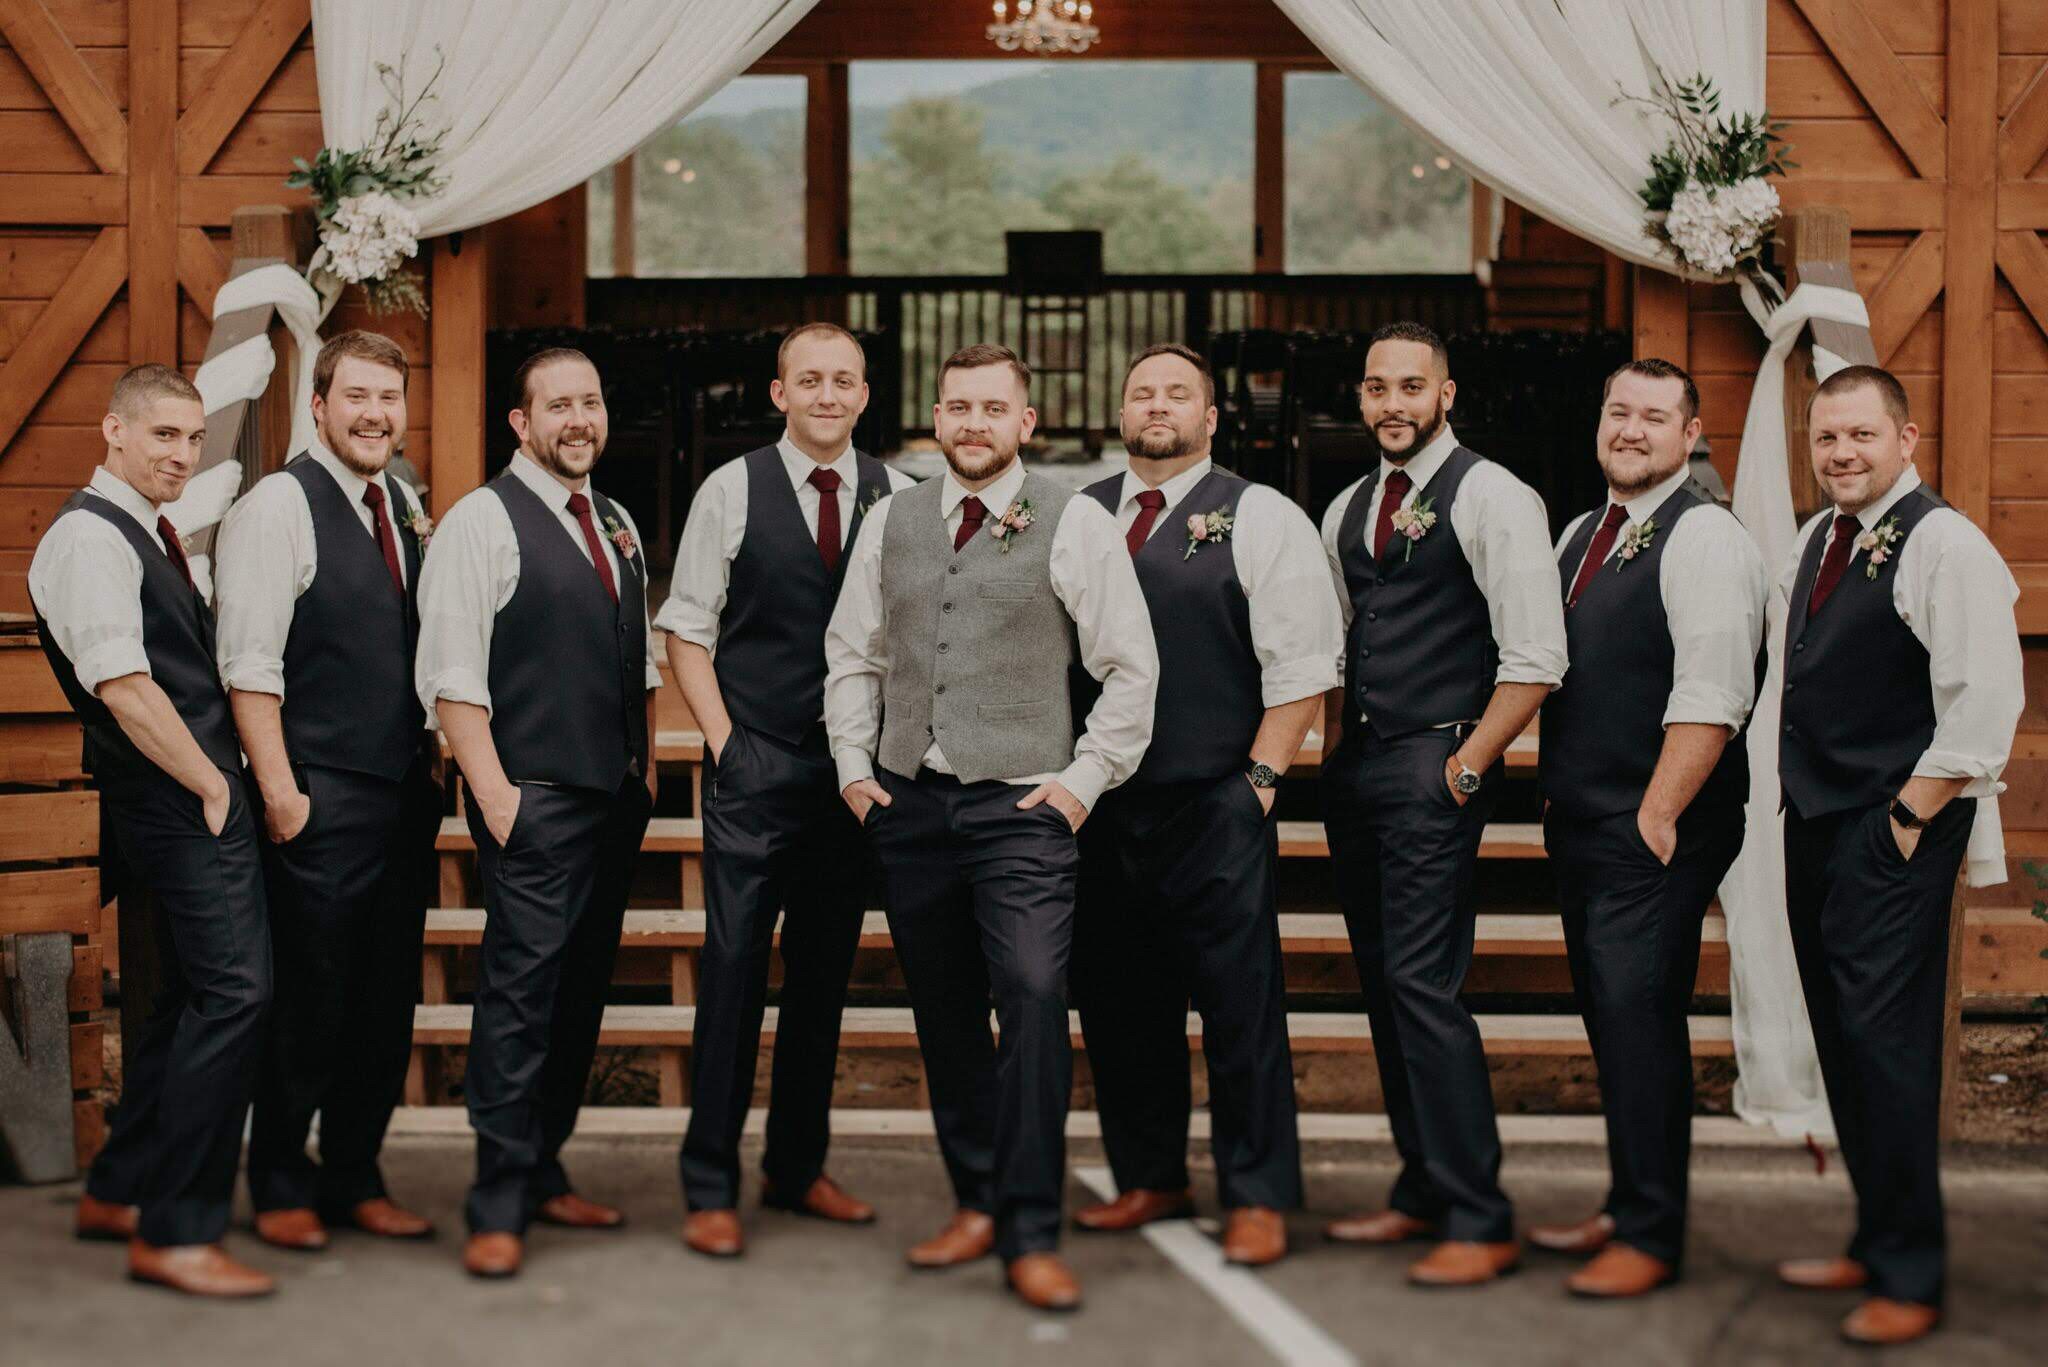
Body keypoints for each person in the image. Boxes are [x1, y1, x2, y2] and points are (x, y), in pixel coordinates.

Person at [824, 343, 1157, 1310]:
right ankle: (977, 1199)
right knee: (945, 1011)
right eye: (958, 407)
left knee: (1036, 995)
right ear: (936, 417)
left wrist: (1081, 783)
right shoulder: (891, 518)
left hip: (1024, 807)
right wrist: (854, 768)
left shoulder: (1075, 520)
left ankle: (1031, 1227)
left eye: (993, 408)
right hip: (911, 804)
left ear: (1026, 423)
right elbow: (854, 652)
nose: (974, 423)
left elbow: (1129, 667)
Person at [1067, 344, 1341, 1266]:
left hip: (1215, 800)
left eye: (1177, 393)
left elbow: (1303, 666)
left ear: (1211, 417)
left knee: (1238, 1005)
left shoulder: (1260, 515)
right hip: (1101, 805)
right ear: (1121, 412)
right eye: (1141, 392)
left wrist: (1257, 785)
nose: (1157, 405)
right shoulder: (1079, 514)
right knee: (1118, 1000)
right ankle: (1149, 1174)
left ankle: (1257, 1193)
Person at [1773, 365, 2023, 1346]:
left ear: (1906, 438)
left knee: (1888, 1047)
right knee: (1844, 1038)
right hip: (1816, 820)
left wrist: (1905, 821)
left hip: (1888, 829)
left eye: (1860, 435)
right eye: (1826, 437)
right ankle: (1875, 1238)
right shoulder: (1819, 536)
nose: (1840, 453)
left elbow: (1984, 702)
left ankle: (1910, 1274)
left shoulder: (1945, 544)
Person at [1317, 322, 1567, 1287]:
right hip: (1360, 770)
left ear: (1446, 395)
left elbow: (1536, 655)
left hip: (1436, 766)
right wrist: (1333, 755)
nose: (1392, 403)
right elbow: (1339, 642)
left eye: (1411, 386)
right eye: (1377, 387)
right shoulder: (1346, 507)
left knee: (1424, 987)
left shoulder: (1494, 495)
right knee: (1386, 987)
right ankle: (1422, 1185)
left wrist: (1466, 767)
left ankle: (1479, 1212)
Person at [658, 323, 912, 1257]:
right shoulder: (730, 490)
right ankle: (709, 1182)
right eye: (810, 381)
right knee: (732, 972)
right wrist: (728, 747)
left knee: (821, 977)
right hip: (757, 763)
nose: (828, 396)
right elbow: (687, 629)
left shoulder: (900, 496)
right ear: (780, 394)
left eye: (844, 381)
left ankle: (798, 1167)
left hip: (853, 777)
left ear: (864, 394)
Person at [414, 348, 663, 1278]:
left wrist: (645, 776)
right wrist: (499, 799)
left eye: (590, 402)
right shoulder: (480, 521)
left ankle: (545, 1165)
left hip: (613, 799)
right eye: (558, 405)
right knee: (519, 999)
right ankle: (498, 1196)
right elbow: (451, 674)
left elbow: (639, 657)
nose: (579, 420)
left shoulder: (617, 519)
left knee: (578, 993)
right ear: (520, 422)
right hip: (536, 802)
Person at [34, 366, 274, 1297]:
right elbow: (124, 686)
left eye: (193, 438)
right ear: (114, 431)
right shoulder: (90, 538)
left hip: (177, 799)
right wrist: (212, 784)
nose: (182, 454)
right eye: (164, 434)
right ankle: (176, 1231)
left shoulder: (142, 529)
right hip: (180, 799)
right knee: (238, 994)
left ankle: (121, 1188)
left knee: (181, 1000)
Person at [1531, 358, 1766, 1297]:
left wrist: (1657, 813)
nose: (1631, 429)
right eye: (1618, 411)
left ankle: (1652, 1233)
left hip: (1654, 825)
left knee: (1639, 1018)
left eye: (1655, 416)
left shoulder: (1704, 537)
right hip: (1586, 818)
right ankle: (1629, 1201)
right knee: (1612, 1017)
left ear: (1691, 434)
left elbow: (1715, 690)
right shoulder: (1580, 532)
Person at [214, 330, 441, 1251]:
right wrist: (281, 792)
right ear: (318, 405)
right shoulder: (279, 505)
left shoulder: (403, 501)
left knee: (384, 1002)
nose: (375, 414)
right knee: (309, 1001)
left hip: (401, 795)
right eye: (357, 396)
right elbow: (249, 663)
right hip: (319, 794)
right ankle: (278, 1181)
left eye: (389, 397)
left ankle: (354, 1175)